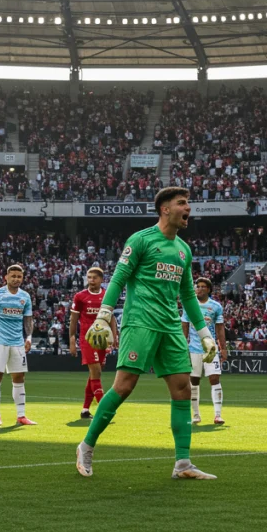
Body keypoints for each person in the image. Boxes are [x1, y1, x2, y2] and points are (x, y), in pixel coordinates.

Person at [76, 186, 218, 479]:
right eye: (183, 203)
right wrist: (103, 316)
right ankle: (86, 446)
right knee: (124, 386)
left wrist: (204, 333)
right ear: (165, 209)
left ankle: (182, 464)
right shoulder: (140, 240)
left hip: (169, 326)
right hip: (140, 322)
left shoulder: (183, 250)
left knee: (182, 389)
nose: (188, 208)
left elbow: (188, 296)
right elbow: (118, 279)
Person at [0, 264, 36, 427]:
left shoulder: (25, 296)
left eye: (19, 276)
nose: (16, 279)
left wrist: (29, 337)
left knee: (19, 378)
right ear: (6, 277)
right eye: (13, 276)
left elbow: (28, 320)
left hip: (17, 343)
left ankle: (21, 416)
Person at [70, 267, 116, 419]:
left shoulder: (107, 296)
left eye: (94, 278)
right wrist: (72, 339)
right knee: (96, 372)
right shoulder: (80, 296)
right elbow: (74, 319)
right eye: (88, 277)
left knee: (94, 374)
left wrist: (115, 337)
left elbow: (112, 318)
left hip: (102, 341)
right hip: (87, 339)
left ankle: (85, 410)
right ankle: (103, 411)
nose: (90, 280)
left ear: (101, 279)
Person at [182, 277, 227, 425]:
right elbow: (185, 326)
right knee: (194, 381)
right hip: (194, 348)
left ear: (208, 289)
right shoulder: (190, 305)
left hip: (210, 348)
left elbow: (220, 328)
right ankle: (195, 415)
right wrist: (183, 346)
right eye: (197, 286)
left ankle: (218, 415)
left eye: (202, 287)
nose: (199, 289)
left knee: (214, 378)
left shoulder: (215, 306)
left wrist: (223, 348)